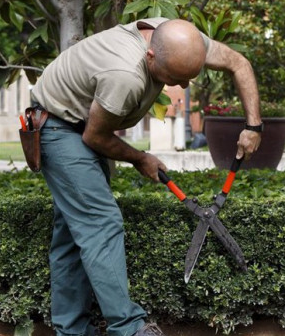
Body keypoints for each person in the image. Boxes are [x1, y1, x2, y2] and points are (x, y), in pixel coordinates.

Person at [30, 18, 262, 336]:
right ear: (151, 56)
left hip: (78, 122)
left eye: (187, 79)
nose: (179, 87)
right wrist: (141, 158)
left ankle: (70, 330)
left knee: (74, 231)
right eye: (173, 78)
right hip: (59, 126)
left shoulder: (182, 40)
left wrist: (254, 126)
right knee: (101, 221)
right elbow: (95, 138)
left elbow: (238, 62)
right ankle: (129, 328)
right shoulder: (124, 74)